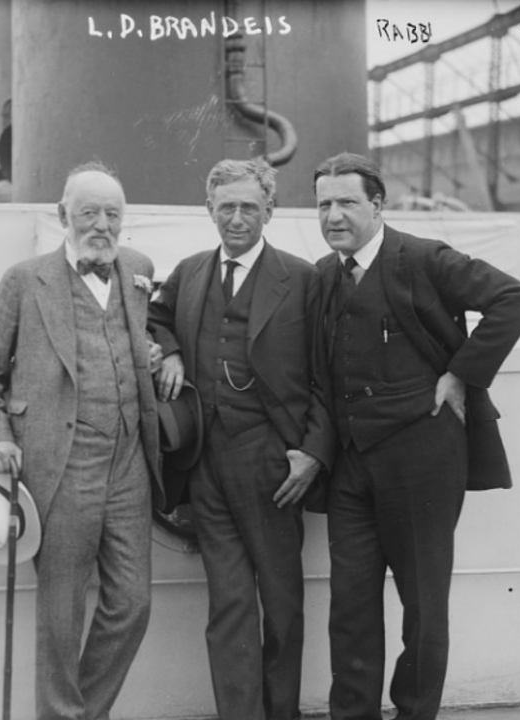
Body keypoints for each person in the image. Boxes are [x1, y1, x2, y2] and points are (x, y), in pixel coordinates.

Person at [313, 152, 520, 720]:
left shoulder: (422, 257)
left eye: (347, 202)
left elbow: (518, 300)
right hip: (350, 463)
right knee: (351, 606)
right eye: (324, 204)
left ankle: (415, 713)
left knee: (423, 606)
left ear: (378, 205)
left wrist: (462, 373)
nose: (334, 215)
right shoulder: (324, 274)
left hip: (422, 456)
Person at [0, 161, 165, 720]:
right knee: (60, 616)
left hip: (128, 464)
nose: (102, 225)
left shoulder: (139, 269)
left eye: (112, 214)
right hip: (60, 464)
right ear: (63, 216)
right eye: (89, 213)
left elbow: (152, 328)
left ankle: (82, 712)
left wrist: (157, 351)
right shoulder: (24, 280)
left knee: (132, 603)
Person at [149, 157, 334, 720]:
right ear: (209, 210)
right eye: (225, 206)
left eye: (248, 207)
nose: (236, 218)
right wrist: (173, 350)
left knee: (281, 602)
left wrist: (314, 453)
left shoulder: (304, 278)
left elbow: (332, 374)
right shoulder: (189, 271)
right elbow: (154, 317)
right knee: (228, 604)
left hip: (275, 465)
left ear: (269, 211)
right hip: (206, 464)